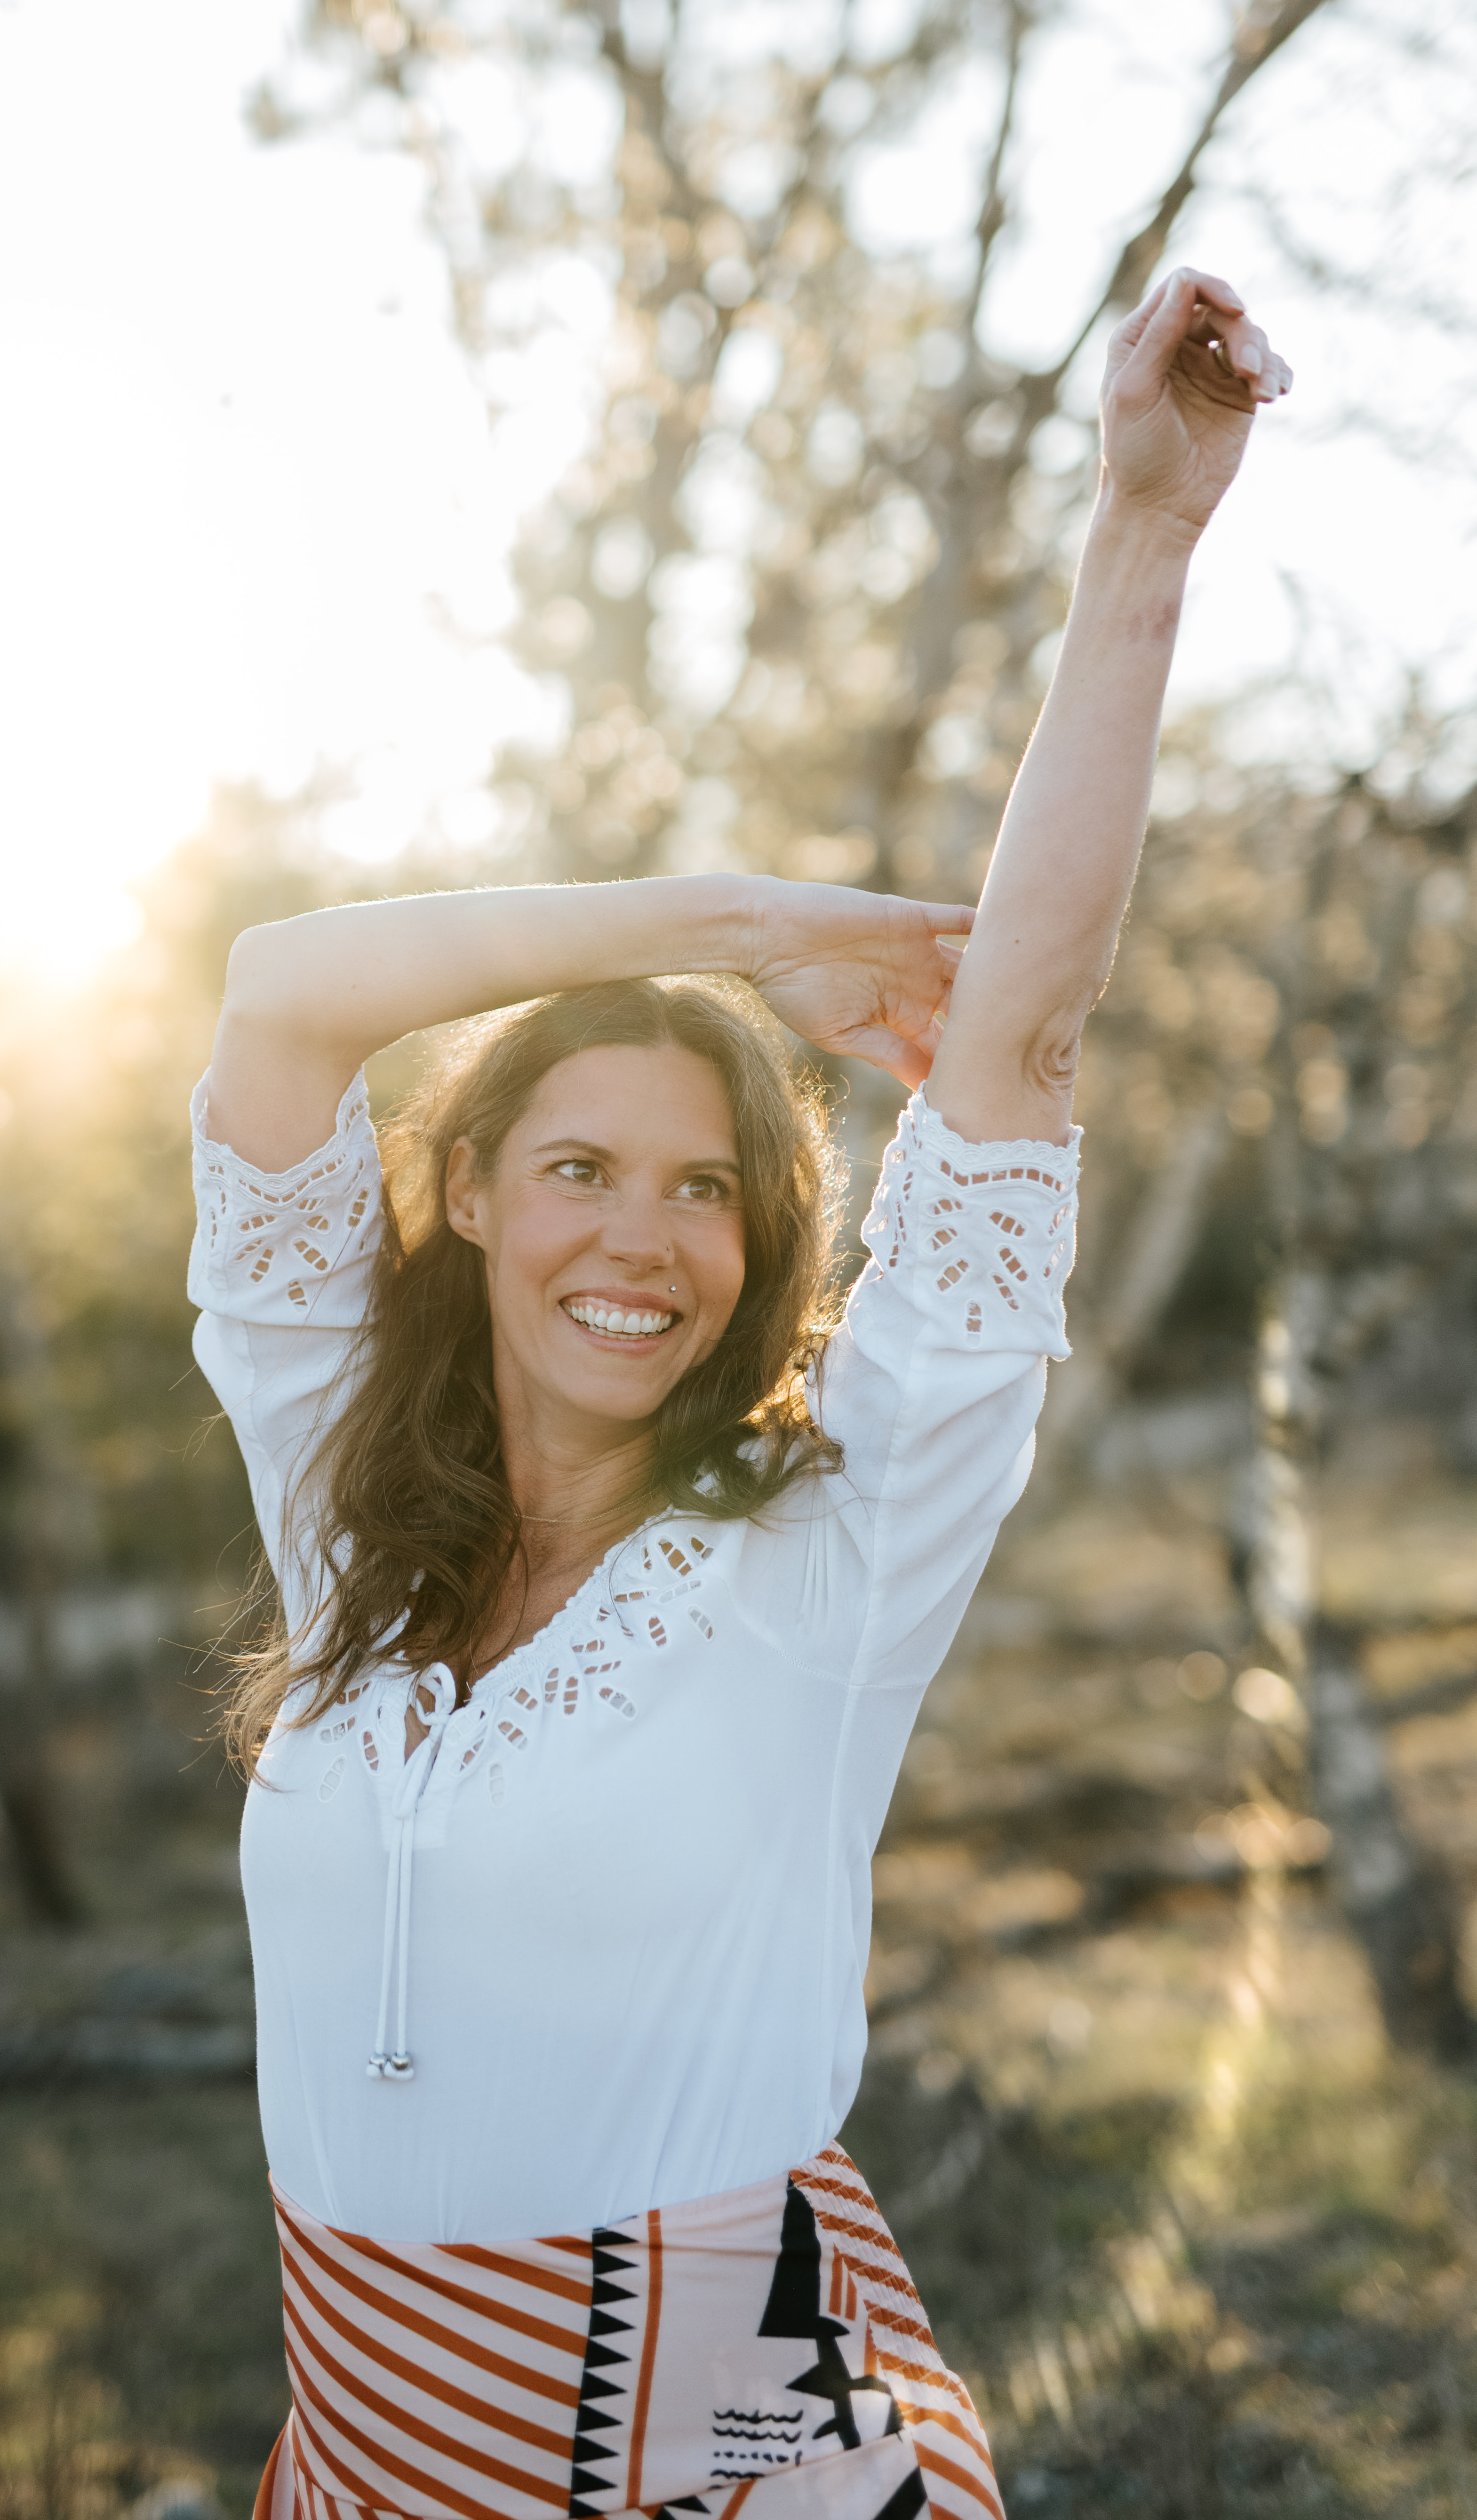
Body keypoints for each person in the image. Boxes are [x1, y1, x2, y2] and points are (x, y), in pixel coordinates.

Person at [189, 270, 1292, 2520]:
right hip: (373, 2458)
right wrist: (719, 929)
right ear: (470, 1195)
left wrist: (1143, 542)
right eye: (580, 1167)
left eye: (709, 1191)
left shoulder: (837, 1542)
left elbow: (1023, 1052)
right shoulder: (342, 1509)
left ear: (761, 1250)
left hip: (735, 2464)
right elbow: (284, 1003)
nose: (642, 1236)